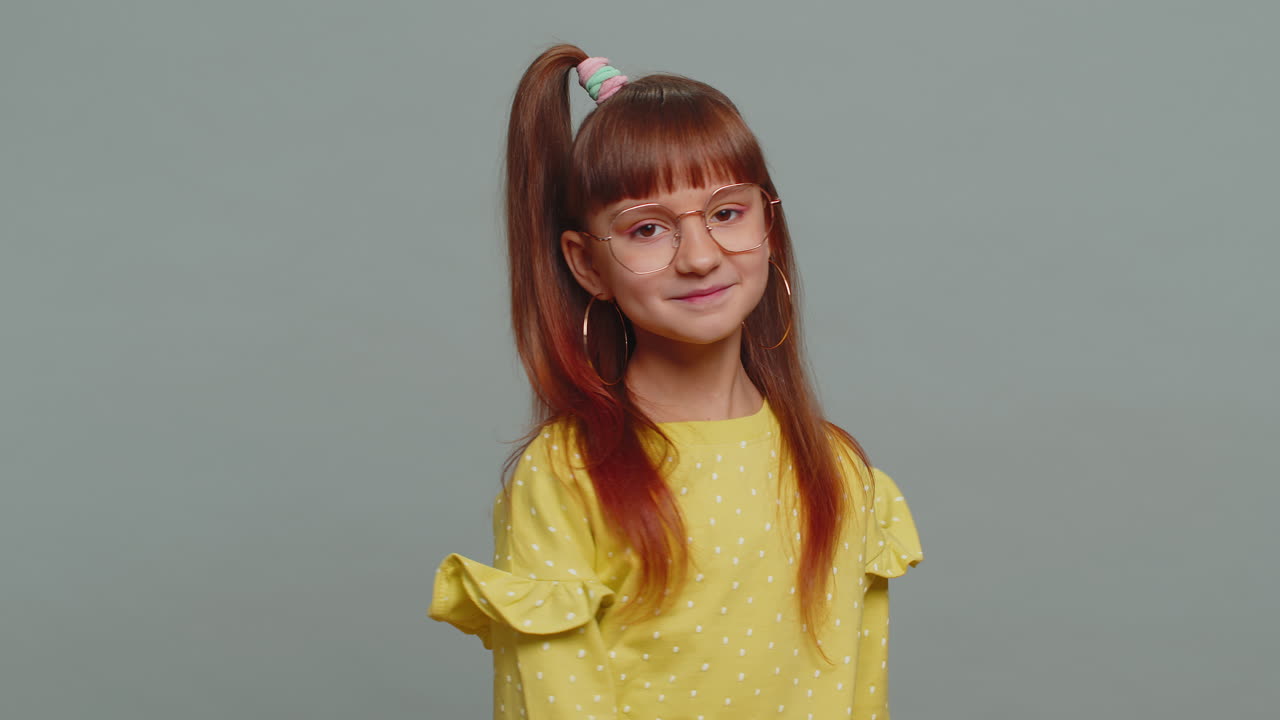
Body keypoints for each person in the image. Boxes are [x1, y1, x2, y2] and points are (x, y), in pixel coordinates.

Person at [428, 44, 923, 720]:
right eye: (647, 229)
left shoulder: (837, 471)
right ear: (587, 264)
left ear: (767, 223)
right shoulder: (570, 475)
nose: (698, 256)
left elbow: (861, 698)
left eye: (726, 213)